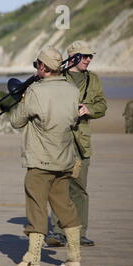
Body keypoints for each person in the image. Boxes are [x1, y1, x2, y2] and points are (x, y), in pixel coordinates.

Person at [2, 46, 83, 266]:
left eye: (37, 64)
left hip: (40, 162)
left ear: (43, 67)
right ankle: (74, 258)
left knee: (36, 209)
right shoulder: (72, 90)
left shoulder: (35, 91)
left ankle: (31, 262)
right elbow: (73, 121)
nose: (35, 67)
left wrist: (23, 97)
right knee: (64, 206)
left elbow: (16, 122)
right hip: (65, 160)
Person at [46, 40, 107, 247]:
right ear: (73, 57)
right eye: (85, 56)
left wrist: (88, 109)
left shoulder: (94, 80)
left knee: (79, 189)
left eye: (91, 56)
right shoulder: (57, 77)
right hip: (58, 140)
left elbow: (102, 105)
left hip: (82, 142)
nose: (89, 59)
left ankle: (79, 234)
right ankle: (56, 232)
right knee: (58, 186)